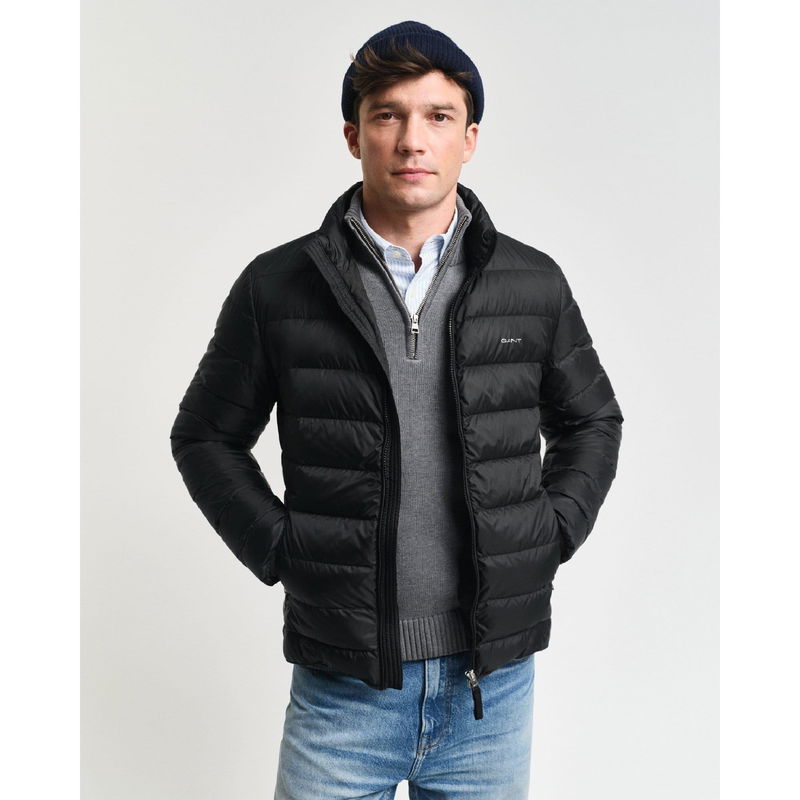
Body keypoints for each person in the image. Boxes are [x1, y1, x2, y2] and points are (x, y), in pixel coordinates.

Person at [169, 20, 624, 800]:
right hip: (342, 689)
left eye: (438, 116)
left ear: (469, 138)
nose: (413, 139)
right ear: (354, 135)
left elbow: (592, 421)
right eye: (388, 115)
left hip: (491, 693)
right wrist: (283, 550)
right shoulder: (277, 286)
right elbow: (205, 435)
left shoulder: (532, 283)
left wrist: (548, 536)